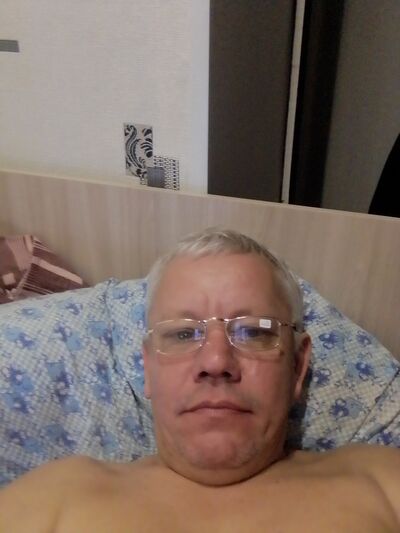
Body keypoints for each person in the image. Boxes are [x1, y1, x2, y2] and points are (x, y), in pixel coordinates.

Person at [0, 228, 399, 532]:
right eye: (182, 334)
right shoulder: (55, 497)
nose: (216, 361)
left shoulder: (380, 482)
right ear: (147, 368)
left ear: (297, 367)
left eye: (254, 332)